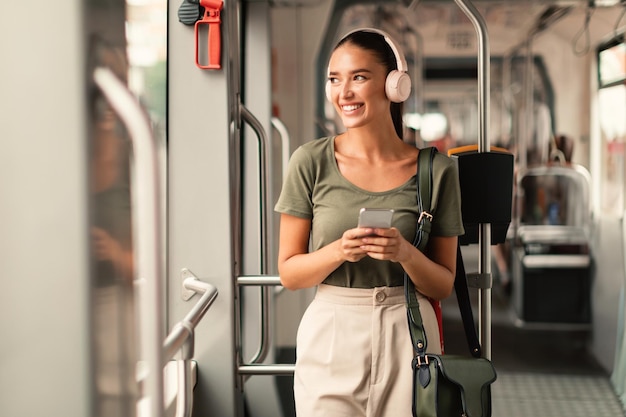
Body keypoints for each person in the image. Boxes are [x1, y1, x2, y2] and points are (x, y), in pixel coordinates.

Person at [274, 28, 465, 417]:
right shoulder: (309, 162)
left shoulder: (437, 171)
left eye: (358, 77)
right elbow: (290, 274)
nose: (343, 92)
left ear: (395, 85)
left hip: (408, 333)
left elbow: (443, 283)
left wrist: (405, 253)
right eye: (334, 79)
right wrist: (339, 250)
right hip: (332, 330)